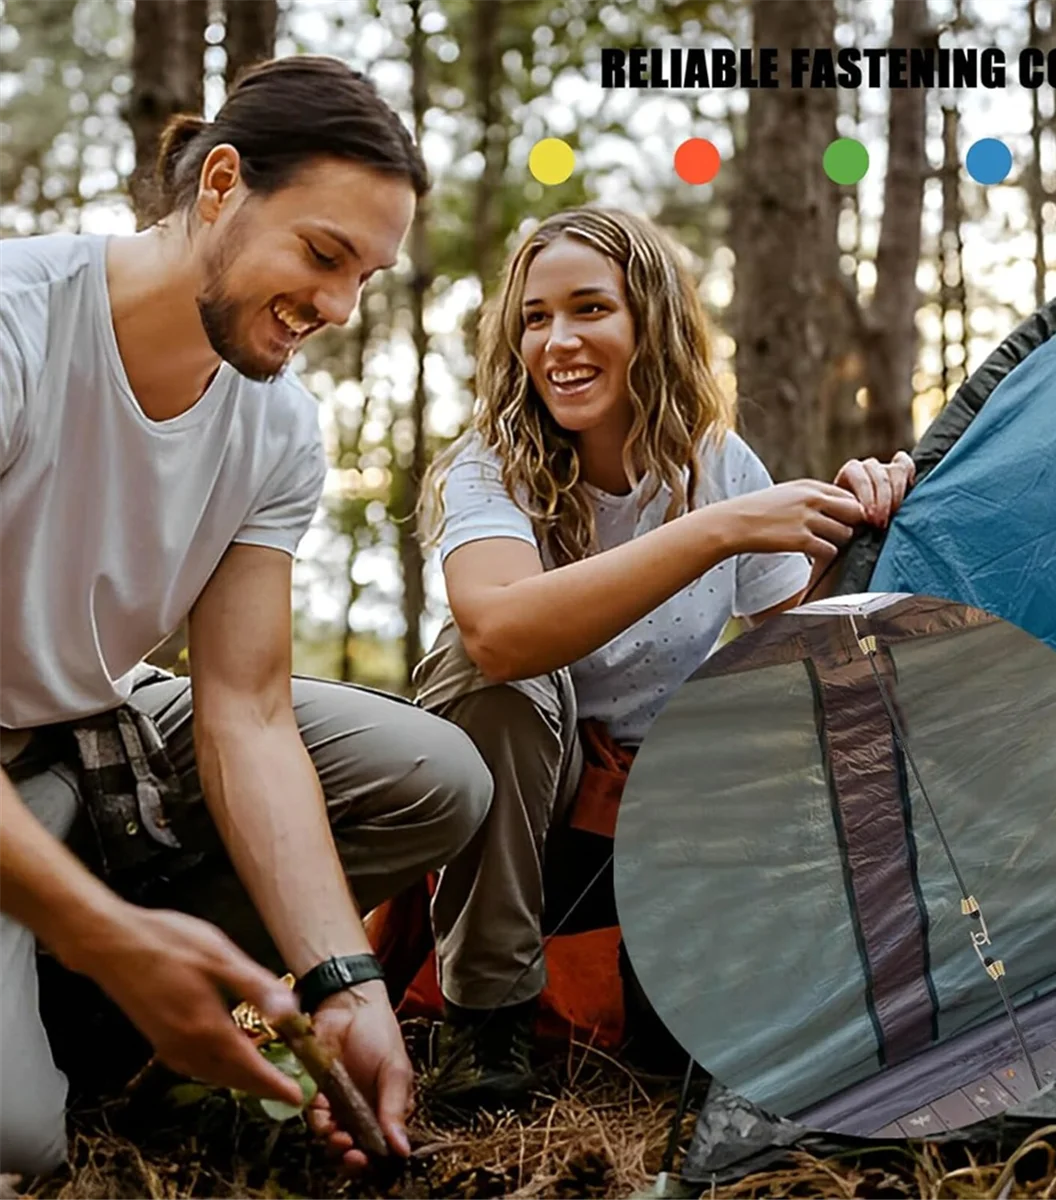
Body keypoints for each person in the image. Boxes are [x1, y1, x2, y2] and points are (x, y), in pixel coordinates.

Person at [0, 56, 493, 1177]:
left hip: (91, 742)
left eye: (366, 277)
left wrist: (345, 980)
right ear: (219, 184)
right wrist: (111, 935)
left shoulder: (277, 429)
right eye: (324, 254)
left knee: (436, 774)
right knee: (14, 1141)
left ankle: (96, 1020)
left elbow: (250, 714)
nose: (337, 307)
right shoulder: (16, 330)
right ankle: (88, 977)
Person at [410, 206, 915, 1107]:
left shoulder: (719, 464)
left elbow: (791, 654)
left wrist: (876, 513)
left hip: (662, 811)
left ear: (650, 318)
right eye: (535, 317)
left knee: (669, 1062)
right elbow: (499, 633)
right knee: (494, 678)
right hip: (520, 814)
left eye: (589, 309)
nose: (557, 340)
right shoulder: (487, 468)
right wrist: (714, 534)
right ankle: (487, 1028)